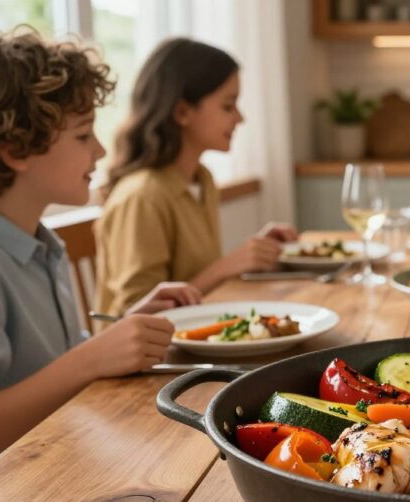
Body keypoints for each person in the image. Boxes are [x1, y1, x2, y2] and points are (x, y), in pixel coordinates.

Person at [0, 29, 200, 462]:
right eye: (83, 135)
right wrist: (91, 360)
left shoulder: (39, 244)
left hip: (57, 460)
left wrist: (122, 331)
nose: (99, 150)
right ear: (16, 150)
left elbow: (46, 373)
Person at [95, 38, 297, 316]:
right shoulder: (142, 197)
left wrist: (250, 256)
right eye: (228, 106)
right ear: (182, 112)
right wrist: (229, 265)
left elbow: (195, 278)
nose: (240, 118)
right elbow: (139, 314)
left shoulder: (201, 180)